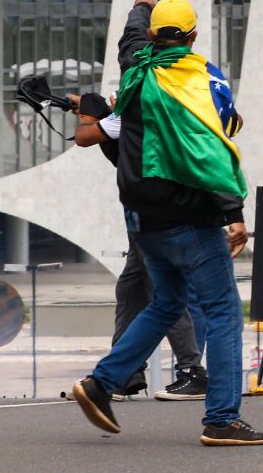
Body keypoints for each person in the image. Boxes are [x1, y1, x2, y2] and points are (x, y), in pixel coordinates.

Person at [70, 0, 263, 446]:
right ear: (194, 37)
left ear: (149, 36)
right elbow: (213, 152)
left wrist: (140, 4)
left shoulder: (135, 70)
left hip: (142, 218)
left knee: (165, 303)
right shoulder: (200, 80)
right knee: (223, 312)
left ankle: (101, 385)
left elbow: (128, 39)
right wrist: (233, 214)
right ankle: (222, 418)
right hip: (188, 219)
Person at [70, 94, 209, 402]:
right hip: (146, 215)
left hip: (153, 217)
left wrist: (91, 109)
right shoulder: (141, 111)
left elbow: (85, 136)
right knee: (131, 290)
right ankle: (122, 375)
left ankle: (191, 371)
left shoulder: (133, 114)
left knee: (166, 296)